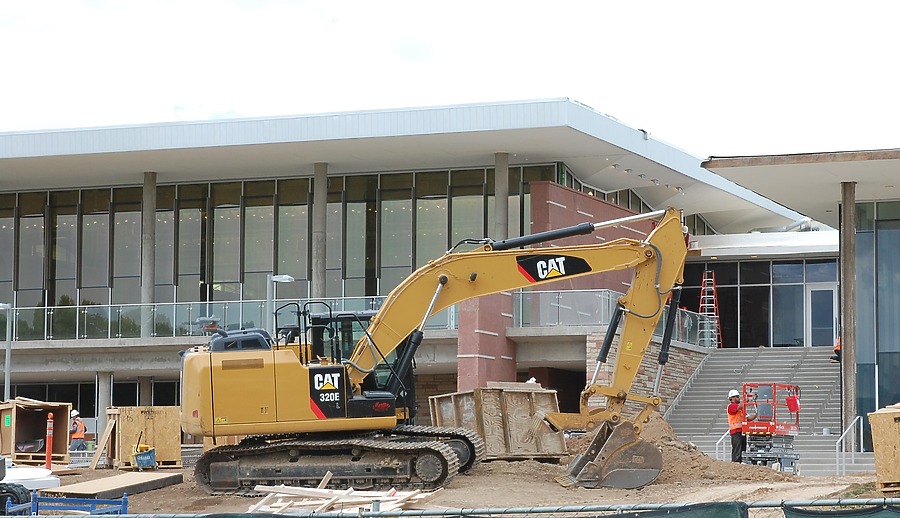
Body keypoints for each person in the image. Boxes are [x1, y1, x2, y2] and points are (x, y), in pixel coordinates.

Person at [726, 389, 756, 463]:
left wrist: (757, 415)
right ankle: (736, 463)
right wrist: (748, 400)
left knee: (742, 450)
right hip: (735, 432)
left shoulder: (740, 410)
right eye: (736, 397)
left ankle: (741, 463)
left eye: (738, 396)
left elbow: (748, 418)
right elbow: (740, 406)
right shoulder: (731, 406)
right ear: (731, 398)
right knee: (737, 451)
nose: (738, 398)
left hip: (742, 432)